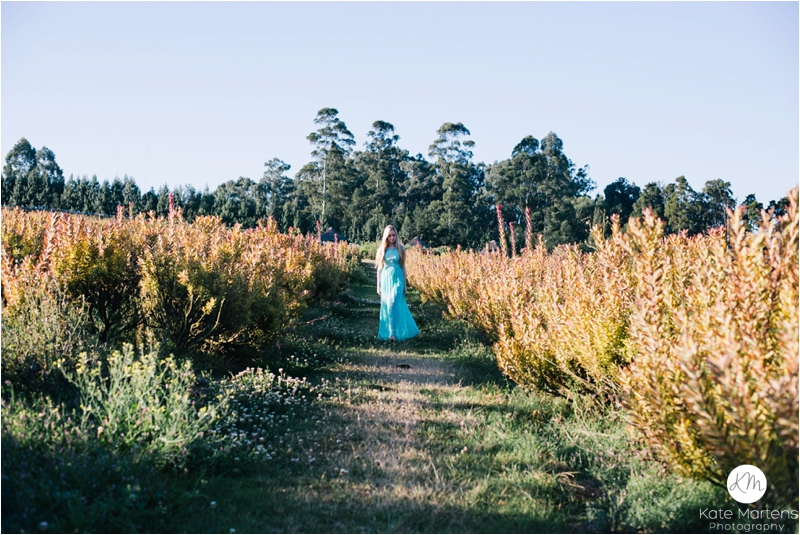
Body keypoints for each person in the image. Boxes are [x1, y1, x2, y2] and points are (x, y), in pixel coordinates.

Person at [375, 225, 419, 341]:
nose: (392, 238)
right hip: (386, 279)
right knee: (388, 304)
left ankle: (393, 333)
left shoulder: (401, 249)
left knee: (394, 301)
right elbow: (379, 268)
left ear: (396, 235)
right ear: (386, 236)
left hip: (398, 278)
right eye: (389, 236)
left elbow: (403, 267)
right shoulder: (381, 250)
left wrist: (405, 284)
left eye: (394, 235)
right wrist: (378, 285)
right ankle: (391, 334)